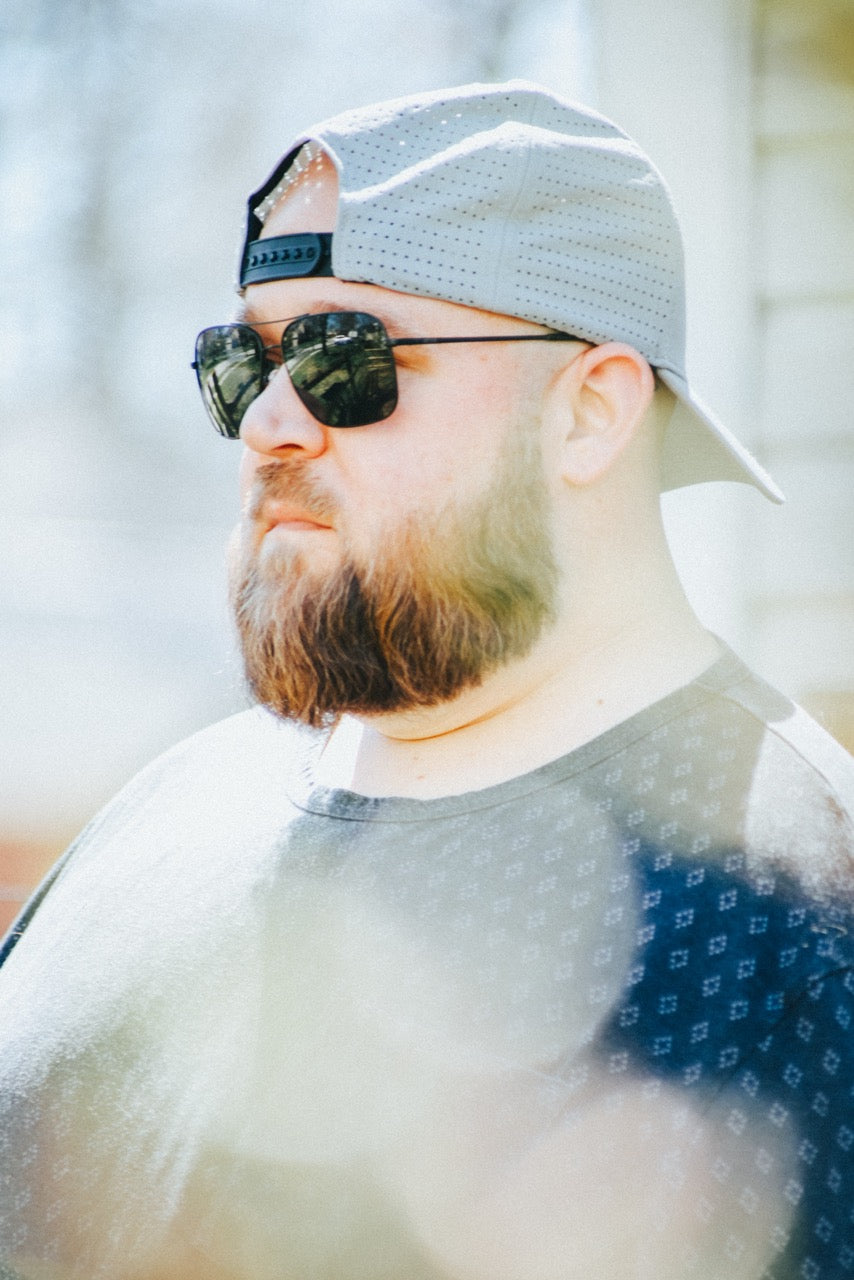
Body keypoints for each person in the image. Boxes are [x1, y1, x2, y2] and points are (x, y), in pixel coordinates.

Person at [0, 80, 851, 1280]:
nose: (268, 424)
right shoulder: (150, 823)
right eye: (243, 362)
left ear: (589, 412)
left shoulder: (797, 938)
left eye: (341, 356)